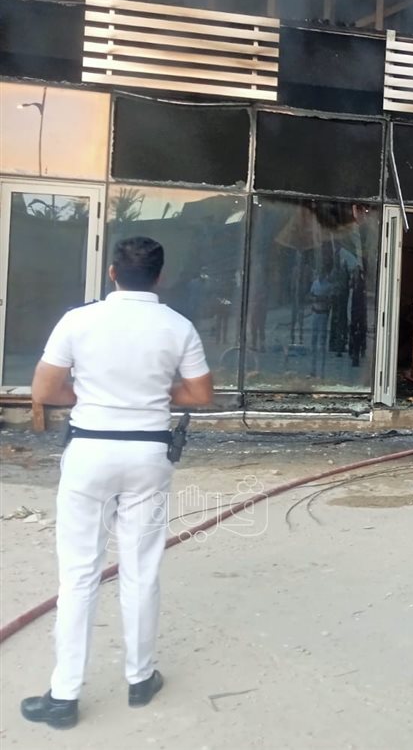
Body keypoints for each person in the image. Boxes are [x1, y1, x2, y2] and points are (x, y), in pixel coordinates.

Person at [21, 237, 214, 730]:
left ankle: (64, 696)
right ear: (160, 277)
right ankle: (140, 678)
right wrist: (151, 392)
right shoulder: (178, 326)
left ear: (112, 273)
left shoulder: (77, 320)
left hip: (89, 452)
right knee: (141, 569)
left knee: (79, 574)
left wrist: (91, 393)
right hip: (148, 455)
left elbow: (44, 390)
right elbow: (200, 394)